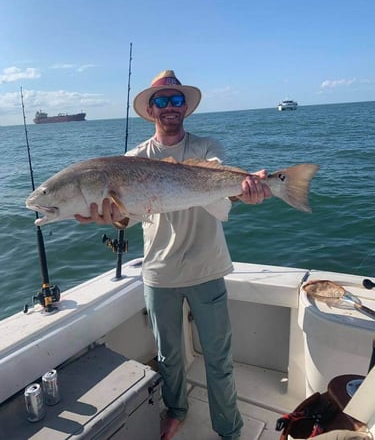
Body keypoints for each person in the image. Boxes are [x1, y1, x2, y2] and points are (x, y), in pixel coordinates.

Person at [76, 70, 271, 440]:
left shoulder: (207, 147)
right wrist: (111, 217)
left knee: (219, 360)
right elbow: (125, 216)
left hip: (207, 266)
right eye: (162, 101)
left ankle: (229, 430)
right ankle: (176, 410)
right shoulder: (132, 159)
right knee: (168, 358)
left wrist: (247, 190)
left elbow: (223, 185)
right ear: (150, 109)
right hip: (160, 274)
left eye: (176, 100)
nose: (170, 107)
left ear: (186, 107)